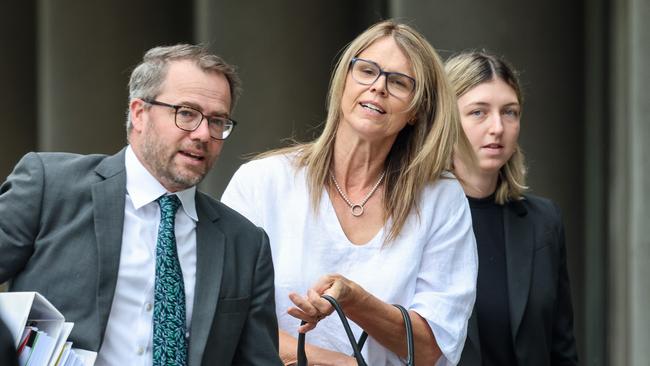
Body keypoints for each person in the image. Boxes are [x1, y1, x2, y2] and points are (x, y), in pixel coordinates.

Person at [0, 44, 282, 366]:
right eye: (187, 113)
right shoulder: (50, 186)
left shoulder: (245, 243)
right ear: (139, 113)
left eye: (217, 121)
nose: (203, 133)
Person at [222, 20, 478, 365]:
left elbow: (432, 348)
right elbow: (227, 320)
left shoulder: (439, 198)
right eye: (367, 71)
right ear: (344, 79)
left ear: (417, 111)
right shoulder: (262, 182)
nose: (378, 87)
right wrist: (340, 363)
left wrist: (355, 300)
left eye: (399, 82)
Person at [445, 50, 578, 366]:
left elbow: (562, 349)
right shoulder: (413, 216)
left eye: (510, 112)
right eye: (478, 112)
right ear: (445, 120)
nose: (497, 128)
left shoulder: (544, 221)